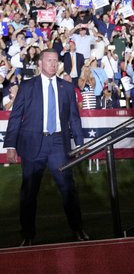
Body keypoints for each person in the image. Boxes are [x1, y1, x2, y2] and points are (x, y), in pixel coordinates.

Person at [3, 49, 90, 246]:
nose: (52, 63)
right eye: (49, 60)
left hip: (59, 144)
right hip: (33, 144)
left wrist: (81, 142)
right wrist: (10, 145)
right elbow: (15, 116)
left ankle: (77, 229)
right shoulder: (26, 86)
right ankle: (27, 235)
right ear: (40, 64)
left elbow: (74, 118)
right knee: (29, 192)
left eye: (55, 60)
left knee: (68, 188)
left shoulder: (67, 88)